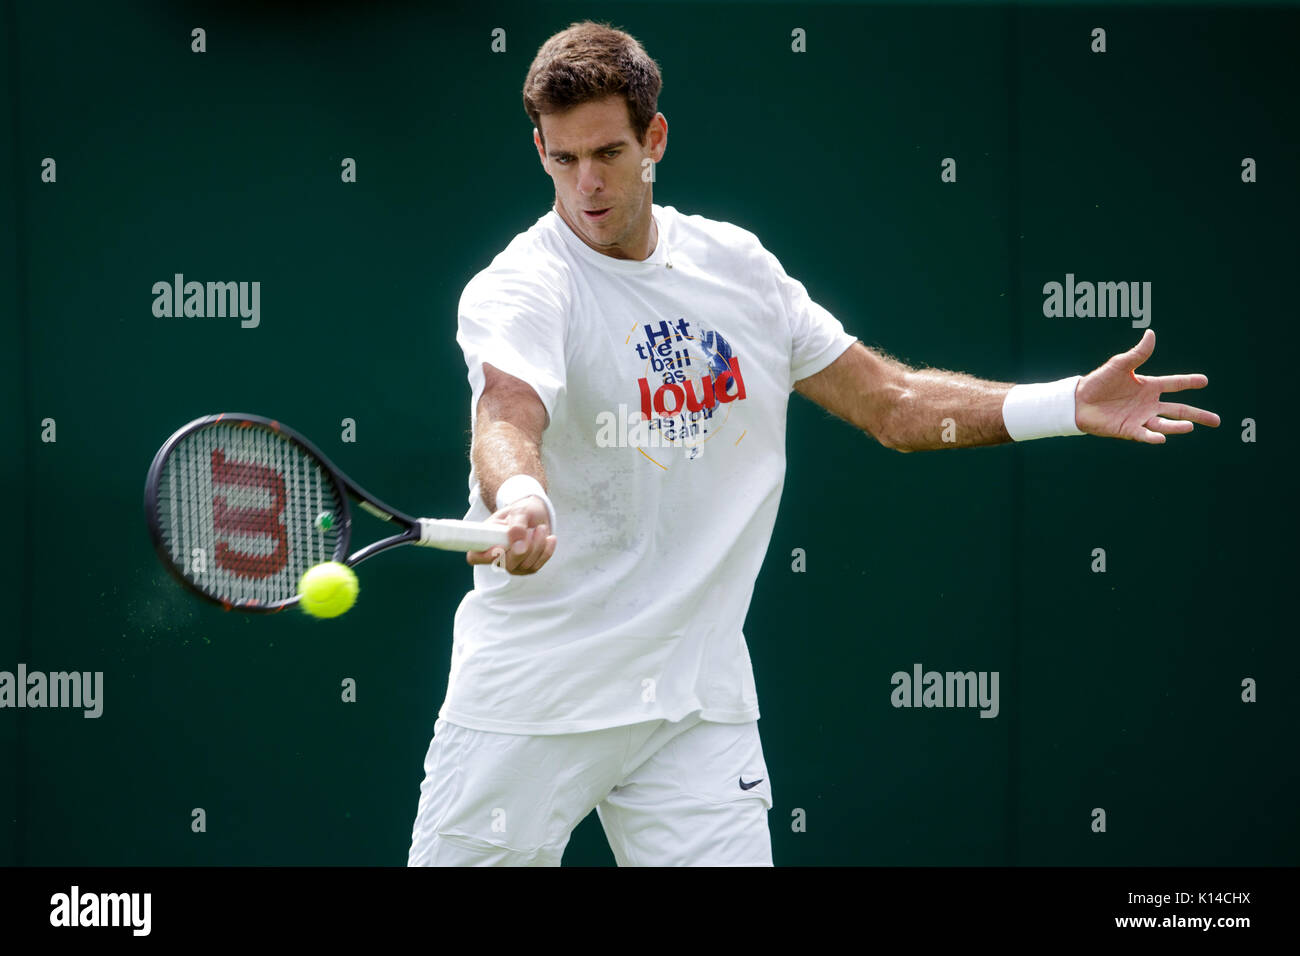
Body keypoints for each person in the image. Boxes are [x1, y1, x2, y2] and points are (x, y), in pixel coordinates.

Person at [406, 20, 1219, 867]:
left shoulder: (741, 270)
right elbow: (507, 409)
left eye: (608, 153)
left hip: (693, 707)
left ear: (655, 138)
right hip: (535, 699)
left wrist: (1066, 403)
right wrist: (521, 495)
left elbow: (895, 405)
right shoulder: (524, 284)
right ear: (539, 148)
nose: (586, 185)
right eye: (562, 159)